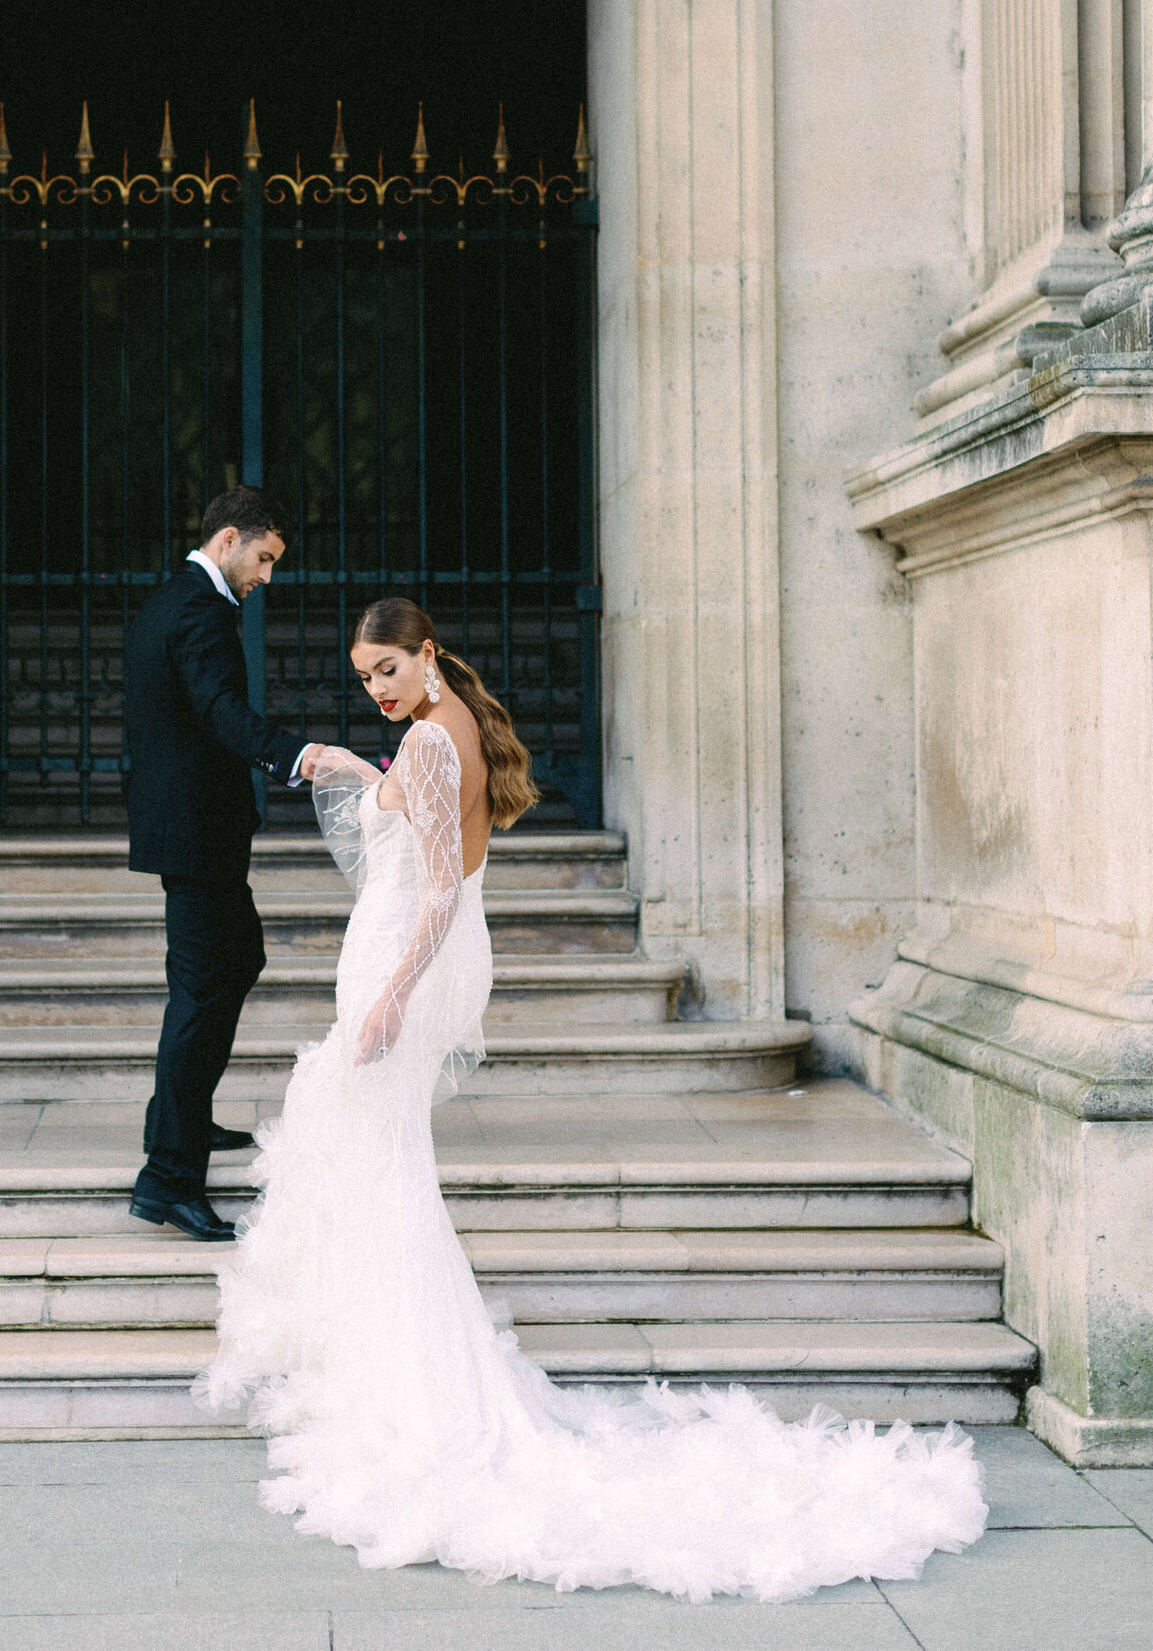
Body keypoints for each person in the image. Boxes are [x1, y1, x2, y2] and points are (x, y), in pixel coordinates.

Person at [198, 596, 988, 1600]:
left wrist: (392, 995)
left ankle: (416, 1395)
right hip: (409, 951)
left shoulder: (436, 747)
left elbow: (438, 887)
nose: (376, 688)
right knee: (383, 1159)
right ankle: (401, 1374)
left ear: (427, 653)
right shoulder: (441, 734)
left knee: (378, 1159)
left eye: (387, 668)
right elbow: (416, 826)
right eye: (363, 677)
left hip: (407, 958)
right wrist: (355, 768)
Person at [125, 488, 325, 1244]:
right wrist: (295, 754)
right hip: (196, 833)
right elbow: (215, 708)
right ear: (230, 538)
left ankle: (183, 1118)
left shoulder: (169, 601)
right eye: (265, 559)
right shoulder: (200, 611)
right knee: (203, 990)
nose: (267, 576)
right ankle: (167, 1178)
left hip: (191, 830)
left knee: (236, 960)